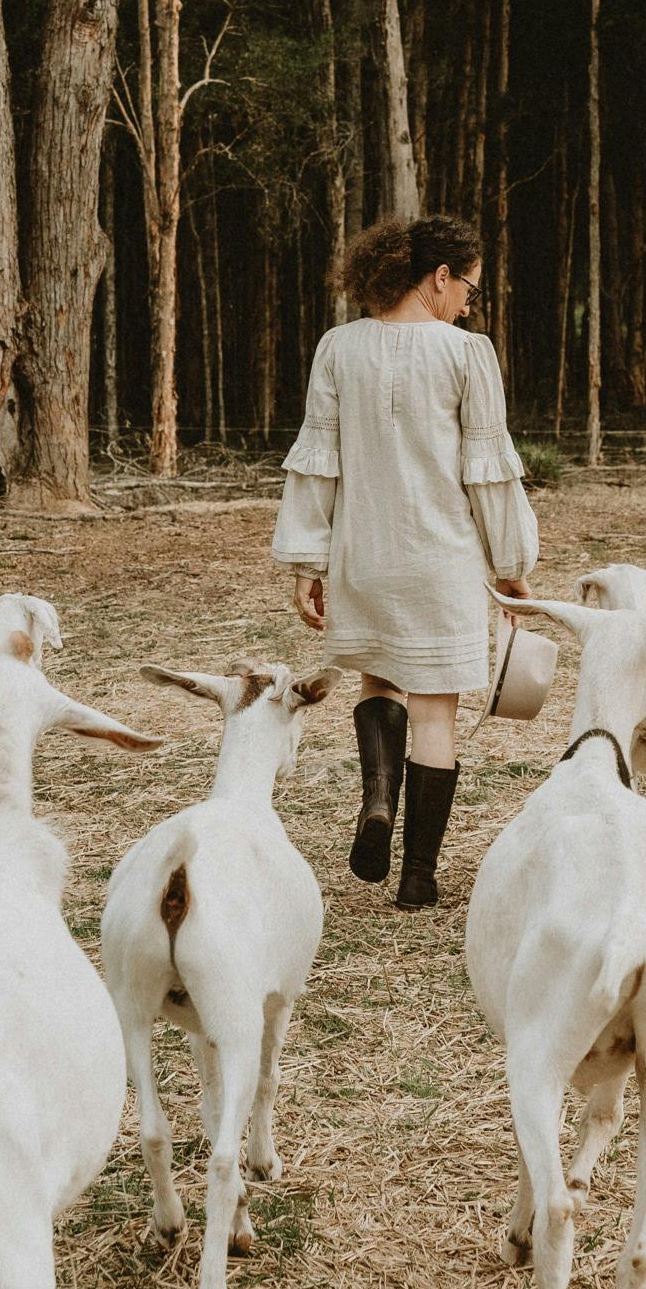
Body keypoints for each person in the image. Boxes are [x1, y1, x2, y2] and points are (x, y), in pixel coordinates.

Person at [272, 213, 538, 908]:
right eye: (469, 288)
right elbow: (488, 470)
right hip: (441, 560)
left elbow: (318, 460)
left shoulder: (338, 348)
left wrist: (307, 562)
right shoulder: (467, 354)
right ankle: (418, 876)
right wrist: (511, 562)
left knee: (378, 684)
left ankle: (378, 802)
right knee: (435, 716)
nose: (469, 305)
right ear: (439, 277)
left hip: (363, 556)